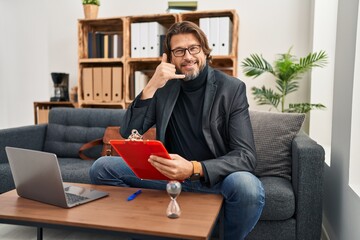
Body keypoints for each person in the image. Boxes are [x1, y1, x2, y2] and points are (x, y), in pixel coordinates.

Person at [90, 21, 265, 240]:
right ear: (170, 57)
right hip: (168, 176)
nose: (188, 56)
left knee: (246, 186)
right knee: (102, 167)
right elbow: (128, 131)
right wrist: (152, 84)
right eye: (179, 51)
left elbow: (246, 156)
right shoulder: (165, 87)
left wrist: (193, 168)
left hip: (213, 179)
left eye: (193, 48)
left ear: (205, 51)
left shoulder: (231, 89)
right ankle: (151, 232)